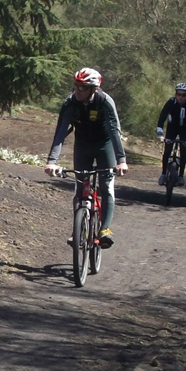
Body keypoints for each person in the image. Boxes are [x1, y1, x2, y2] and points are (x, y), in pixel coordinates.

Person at [45, 68, 128, 248]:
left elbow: (115, 131)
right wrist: (52, 161)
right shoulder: (70, 103)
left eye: (82, 87)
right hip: (82, 145)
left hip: (104, 145)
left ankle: (104, 229)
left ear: (94, 88)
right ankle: (77, 232)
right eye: (75, 86)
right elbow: (60, 132)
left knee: (106, 186)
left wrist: (121, 160)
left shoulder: (105, 102)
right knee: (80, 187)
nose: (77, 91)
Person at [156, 83, 186, 186]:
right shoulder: (171, 102)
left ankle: (181, 176)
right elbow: (161, 118)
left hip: (185, 128)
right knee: (167, 149)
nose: (180, 97)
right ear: (176, 94)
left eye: (183, 95)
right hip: (172, 126)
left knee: (183, 150)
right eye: (178, 94)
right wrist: (160, 134)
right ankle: (163, 174)